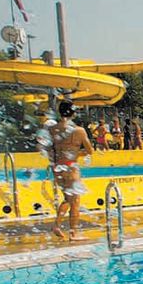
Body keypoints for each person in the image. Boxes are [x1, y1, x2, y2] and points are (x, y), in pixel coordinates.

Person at [44, 100, 94, 240]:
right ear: (73, 113)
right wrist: (75, 154)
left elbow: (49, 150)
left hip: (58, 168)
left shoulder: (52, 130)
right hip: (71, 166)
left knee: (67, 198)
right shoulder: (79, 131)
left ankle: (57, 225)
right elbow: (90, 150)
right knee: (76, 200)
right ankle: (73, 233)